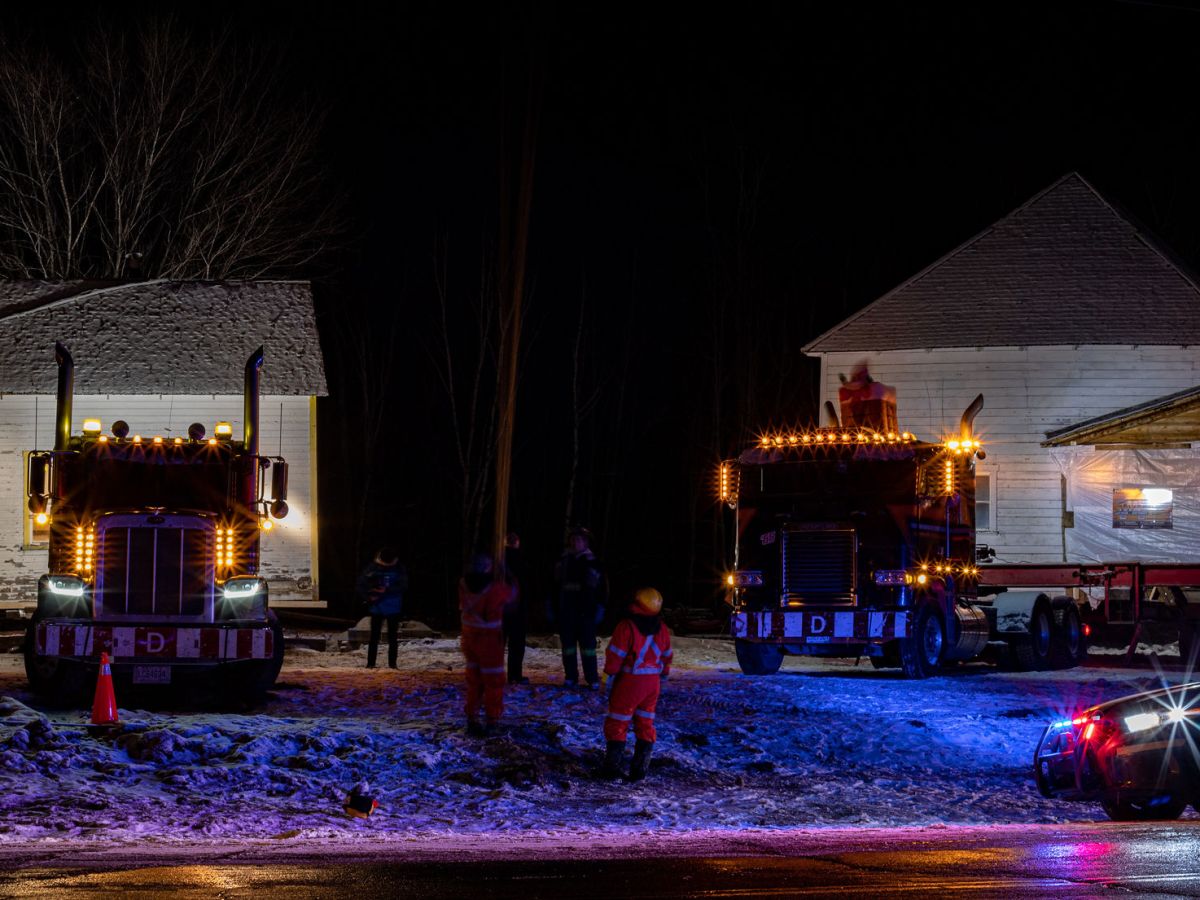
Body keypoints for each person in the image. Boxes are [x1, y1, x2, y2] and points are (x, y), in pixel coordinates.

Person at [600, 587, 672, 782]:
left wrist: (608, 677)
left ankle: (611, 769)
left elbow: (615, 656)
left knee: (618, 722)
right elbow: (666, 656)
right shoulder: (662, 627)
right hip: (652, 684)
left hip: (630, 682)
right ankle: (640, 770)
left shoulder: (626, 626)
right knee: (645, 724)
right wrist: (663, 675)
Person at [459, 553, 516, 736]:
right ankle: (492, 719)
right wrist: (508, 574)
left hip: (469, 639)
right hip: (489, 641)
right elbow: (512, 595)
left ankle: (472, 718)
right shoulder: (495, 588)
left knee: (474, 681)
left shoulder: (463, 584)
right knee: (493, 682)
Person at [553, 525, 605, 689]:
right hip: (566, 611)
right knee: (568, 647)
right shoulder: (563, 561)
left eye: (580, 540)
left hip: (586, 612)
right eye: (573, 539)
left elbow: (603, 588)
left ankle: (592, 678)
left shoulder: (594, 562)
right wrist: (551, 606)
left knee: (588, 648)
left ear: (586, 543)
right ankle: (571, 677)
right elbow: (554, 585)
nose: (576, 543)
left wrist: (601, 607)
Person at [356, 547, 408, 669]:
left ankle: (392, 664)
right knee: (374, 636)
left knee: (392, 637)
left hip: (393, 607)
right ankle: (371, 663)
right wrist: (370, 596)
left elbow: (403, 586)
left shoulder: (399, 568)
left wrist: (386, 590)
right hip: (377, 607)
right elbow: (361, 585)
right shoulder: (373, 567)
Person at [503, 532, 529, 685]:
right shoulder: (521, 560)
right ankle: (515, 675)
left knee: (498, 644)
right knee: (516, 644)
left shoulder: (498, 560)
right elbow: (526, 584)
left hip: (500, 608)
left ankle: (494, 674)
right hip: (517, 608)